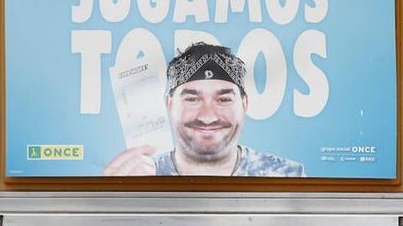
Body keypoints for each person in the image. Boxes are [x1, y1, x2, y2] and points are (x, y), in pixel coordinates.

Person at [103, 42, 306, 177]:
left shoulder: (286, 176)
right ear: (170, 104)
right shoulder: (137, 177)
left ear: (244, 104)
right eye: (192, 99)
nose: (208, 116)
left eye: (223, 99)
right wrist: (110, 202)